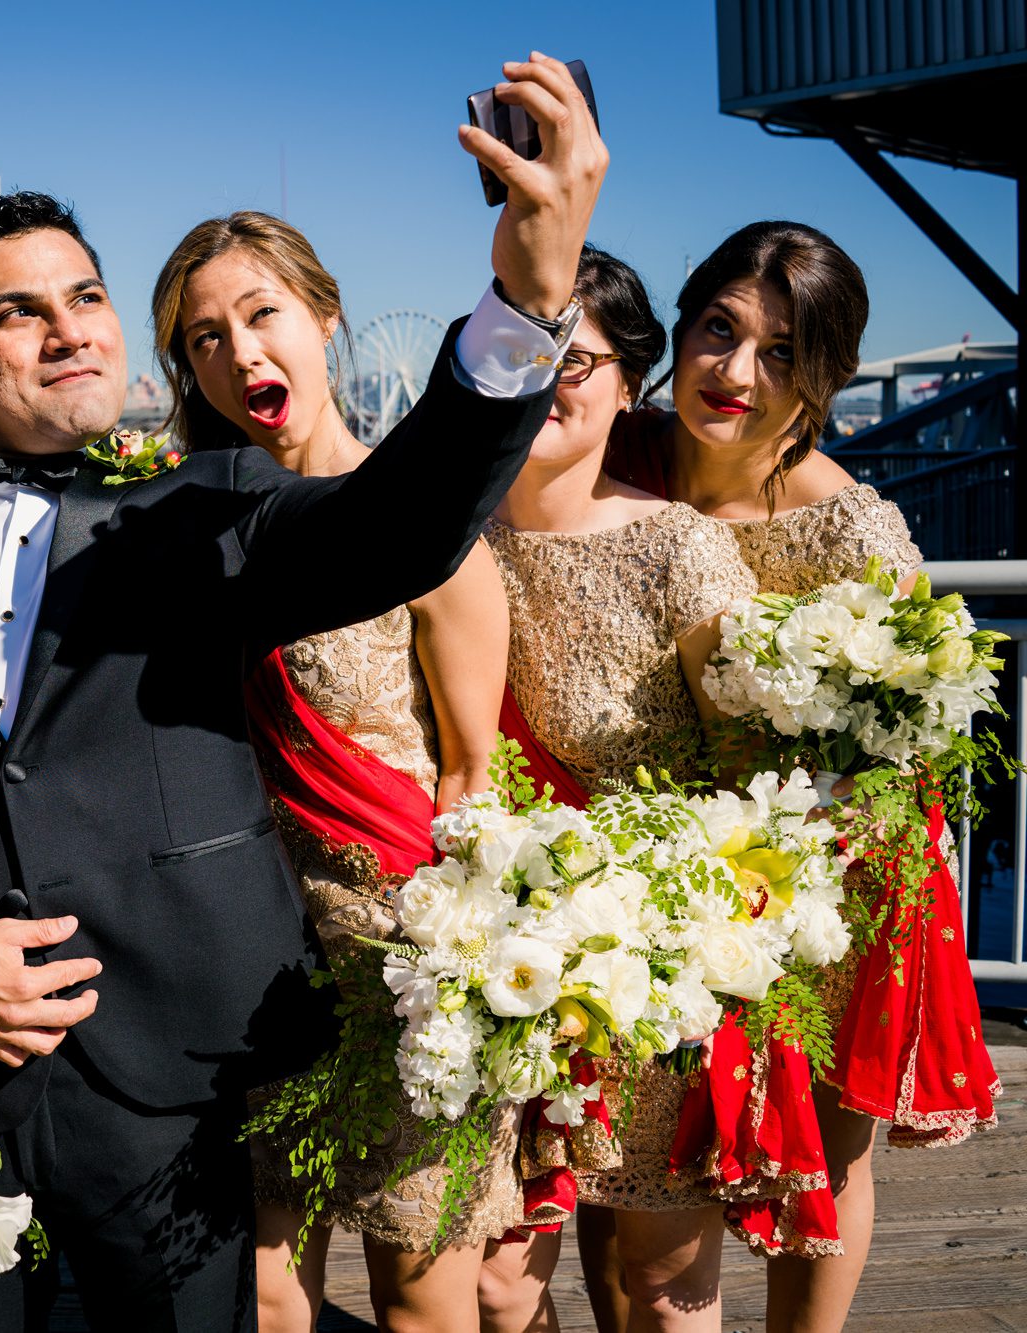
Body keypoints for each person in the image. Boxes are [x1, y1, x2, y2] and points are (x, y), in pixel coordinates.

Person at [0, 52, 606, 1332]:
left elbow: (403, 521)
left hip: (174, 1072)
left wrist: (526, 293)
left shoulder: (207, 509)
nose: (71, 327)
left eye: (84, 296)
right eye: (17, 312)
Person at [605, 221, 997, 1333]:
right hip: (650, 869)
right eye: (717, 331)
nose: (734, 373)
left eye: (779, 351)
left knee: (820, 1155)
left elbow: (916, 733)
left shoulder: (854, 530)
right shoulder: (612, 456)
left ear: (822, 378)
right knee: (650, 1174)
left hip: (837, 871)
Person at [149, 209, 526, 1333]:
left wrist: (461, 977)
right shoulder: (173, 545)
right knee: (263, 1289)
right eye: (203, 337)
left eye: (261, 314)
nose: (240, 352)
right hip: (247, 965)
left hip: (406, 964)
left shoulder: (429, 541)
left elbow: (470, 776)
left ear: (325, 320)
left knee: (419, 1290)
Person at [486, 246, 759, 1333]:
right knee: (495, 1283)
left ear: (627, 381)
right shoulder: (438, 539)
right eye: (526, 353)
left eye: (579, 358)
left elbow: (754, 779)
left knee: (656, 1279)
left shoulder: (677, 550)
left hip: (652, 971)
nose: (551, 379)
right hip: (486, 967)